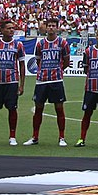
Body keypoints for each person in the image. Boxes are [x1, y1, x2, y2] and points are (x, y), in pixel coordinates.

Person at [26, 18, 71, 147]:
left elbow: (66, 61)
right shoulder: (40, 44)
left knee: (59, 109)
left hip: (56, 80)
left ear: (57, 28)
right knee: (38, 109)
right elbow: (38, 61)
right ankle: (35, 137)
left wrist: (57, 70)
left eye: (53, 25)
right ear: (46, 28)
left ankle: (61, 137)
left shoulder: (62, 43)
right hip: (42, 81)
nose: (51, 28)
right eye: (49, 25)